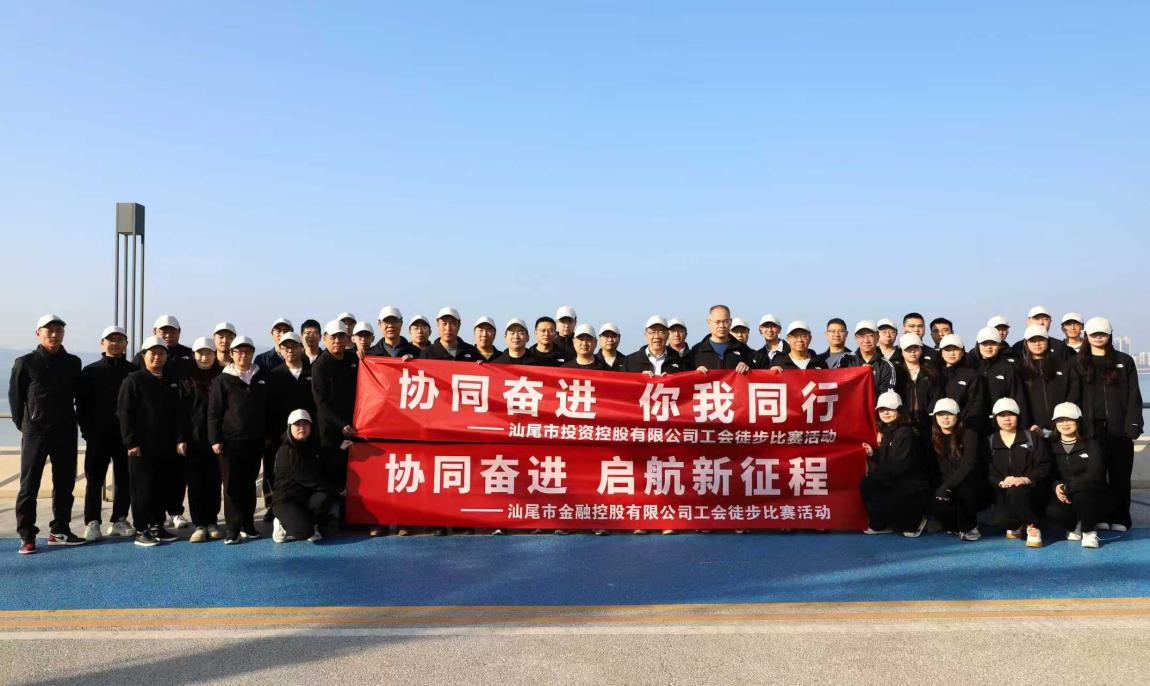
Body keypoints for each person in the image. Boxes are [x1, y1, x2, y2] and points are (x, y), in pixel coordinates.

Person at [10, 314, 84, 553]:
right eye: (49, 330)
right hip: (35, 432)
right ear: (38, 333)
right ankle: (27, 535)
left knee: (64, 484)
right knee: (29, 485)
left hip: (65, 431)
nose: (54, 334)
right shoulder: (25, 362)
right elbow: (16, 398)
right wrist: (26, 425)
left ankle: (60, 530)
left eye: (58, 330)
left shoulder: (73, 362)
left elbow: (79, 396)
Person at [117, 336, 188, 547]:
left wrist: (180, 438)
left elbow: (179, 413)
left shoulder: (171, 380)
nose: (157, 357)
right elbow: (124, 413)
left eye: (161, 353)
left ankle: (158, 525)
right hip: (142, 446)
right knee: (142, 489)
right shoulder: (133, 380)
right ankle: (142, 529)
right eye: (153, 353)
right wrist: (131, 442)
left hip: (166, 445)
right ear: (144, 355)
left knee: (162, 486)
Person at [1076, 317, 1143, 532]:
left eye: (1102, 334)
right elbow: (1072, 395)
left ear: (1110, 335)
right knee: (1095, 475)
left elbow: (1134, 395)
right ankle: (1099, 516)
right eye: (1094, 334)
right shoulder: (1077, 362)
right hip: (1090, 430)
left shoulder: (1124, 360)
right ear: (1086, 335)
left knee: (1120, 475)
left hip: (1119, 428)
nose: (1098, 337)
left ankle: (1121, 518)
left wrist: (1133, 424)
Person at [76, 325, 137, 541]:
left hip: (125, 436)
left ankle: (119, 519)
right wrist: (87, 432)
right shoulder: (90, 371)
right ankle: (92, 522)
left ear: (126, 344)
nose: (115, 343)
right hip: (98, 436)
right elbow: (81, 405)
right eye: (111, 340)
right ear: (102, 343)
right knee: (94, 480)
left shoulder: (133, 370)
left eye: (120, 340)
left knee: (124, 479)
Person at [208, 335, 271, 544]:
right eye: (239, 351)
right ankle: (232, 529)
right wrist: (215, 439)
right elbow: (214, 412)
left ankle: (248, 525)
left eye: (247, 351)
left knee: (249, 484)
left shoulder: (262, 377)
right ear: (232, 354)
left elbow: (268, 407)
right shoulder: (222, 380)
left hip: (255, 440)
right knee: (232, 486)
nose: (243, 355)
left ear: (252, 353)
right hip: (230, 442)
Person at [859, 391, 930, 537]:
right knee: (869, 484)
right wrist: (873, 454)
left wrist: (876, 476)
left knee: (872, 483)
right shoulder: (889, 431)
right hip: (895, 479)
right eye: (882, 410)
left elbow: (901, 465)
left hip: (909, 485)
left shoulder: (905, 432)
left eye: (890, 409)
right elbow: (890, 459)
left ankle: (916, 518)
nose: (885, 413)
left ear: (899, 410)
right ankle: (881, 524)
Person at [265, 332, 315, 523]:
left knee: (306, 468)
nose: (290, 350)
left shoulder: (312, 371)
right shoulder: (274, 375)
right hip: (280, 434)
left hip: (307, 433)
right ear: (280, 350)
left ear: (301, 348)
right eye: (285, 347)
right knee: (277, 471)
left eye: (294, 346)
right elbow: (269, 407)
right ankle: (273, 506)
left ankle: (304, 505)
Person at [272, 410, 343, 544]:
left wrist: (342, 449)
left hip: (306, 496)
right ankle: (281, 523)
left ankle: (312, 523)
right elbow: (308, 479)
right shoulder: (286, 450)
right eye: (297, 424)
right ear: (290, 428)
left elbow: (326, 464)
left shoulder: (313, 447)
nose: (302, 428)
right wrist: (338, 489)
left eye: (305, 424)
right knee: (303, 532)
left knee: (324, 496)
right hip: (286, 499)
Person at [987, 397, 1049, 548]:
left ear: (1018, 416)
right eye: (1002, 415)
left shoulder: (1032, 437)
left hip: (1031, 491)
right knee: (1002, 520)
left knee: (1018, 491)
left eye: (1011, 414)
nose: (1007, 419)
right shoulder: (990, 441)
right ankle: (1019, 522)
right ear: (995, 418)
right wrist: (1001, 482)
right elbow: (988, 471)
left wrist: (1026, 479)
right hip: (1005, 492)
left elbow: (1044, 465)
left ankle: (1032, 525)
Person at [1046, 402, 1106, 549]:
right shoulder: (1050, 445)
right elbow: (1047, 472)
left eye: (1069, 419)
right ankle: (1075, 525)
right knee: (1053, 512)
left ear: (1078, 421)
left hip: (1088, 492)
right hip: (1063, 493)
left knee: (1083, 495)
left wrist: (1069, 487)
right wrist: (1056, 486)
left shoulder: (1091, 444)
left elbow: (1095, 473)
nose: (1065, 423)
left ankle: (1089, 531)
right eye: (1060, 420)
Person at [926, 398, 986, 541]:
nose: (945, 418)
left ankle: (970, 526)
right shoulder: (931, 436)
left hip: (966, 481)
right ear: (935, 417)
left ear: (957, 416)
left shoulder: (969, 434)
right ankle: (950, 523)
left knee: (965, 492)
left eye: (949, 414)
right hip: (944, 481)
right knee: (937, 504)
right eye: (941, 414)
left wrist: (947, 487)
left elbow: (968, 465)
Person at [310, 320, 360, 490]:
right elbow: (321, 402)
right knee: (332, 474)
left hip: (354, 428)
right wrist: (341, 424)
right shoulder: (320, 366)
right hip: (330, 431)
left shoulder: (353, 359)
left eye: (341, 336)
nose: (337, 341)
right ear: (325, 338)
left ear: (347, 338)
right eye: (333, 337)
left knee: (354, 473)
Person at [183, 337, 224, 542]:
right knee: (195, 483)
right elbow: (179, 411)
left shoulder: (222, 376)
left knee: (214, 482)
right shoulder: (186, 377)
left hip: (216, 439)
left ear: (214, 355)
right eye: (200, 353)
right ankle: (199, 524)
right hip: (193, 439)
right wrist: (180, 438)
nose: (204, 357)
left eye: (208, 353)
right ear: (194, 355)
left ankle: (212, 521)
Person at [1018, 324, 1079, 436]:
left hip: (1062, 426)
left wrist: (1065, 418)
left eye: (1041, 339)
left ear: (1048, 341)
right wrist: (1027, 425)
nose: (1037, 343)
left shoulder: (1063, 365)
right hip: (1033, 429)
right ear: (1026, 343)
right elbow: (1019, 400)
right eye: (1033, 340)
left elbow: (1073, 392)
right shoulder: (1019, 369)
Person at [971, 326, 1028, 427]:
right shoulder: (971, 367)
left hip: (1002, 424)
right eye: (984, 343)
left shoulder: (1008, 369)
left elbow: (1018, 398)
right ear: (978, 345)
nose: (989, 347)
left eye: (993, 343)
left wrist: (1023, 426)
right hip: (976, 423)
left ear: (999, 345)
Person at [938, 334, 988, 434]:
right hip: (939, 427)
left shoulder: (971, 375)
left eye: (956, 349)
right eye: (947, 350)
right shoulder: (935, 374)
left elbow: (976, 403)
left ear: (962, 352)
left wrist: (959, 422)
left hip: (965, 427)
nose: (952, 353)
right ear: (941, 353)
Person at [892, 333, 939, 436]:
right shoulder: (896, 372)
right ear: (902, 352)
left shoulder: (931, 372)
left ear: (921, 350)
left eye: (916, 348)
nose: (912, 351)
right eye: (908, 349)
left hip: (928, 424)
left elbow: (935, 396)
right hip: (902, 424)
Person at [693, 305, 754, 372]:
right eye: (717, 322)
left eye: (725, 321)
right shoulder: (697, 350)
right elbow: (686, 374)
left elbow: (756, 372)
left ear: (730, 322)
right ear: (709, 322)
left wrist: (747, 367)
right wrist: (695, 373)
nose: (722, 326)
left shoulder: (743, 349)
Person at [133, 314, 194, 379]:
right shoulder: (143, 356)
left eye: (172, 332)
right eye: (163, 332)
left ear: (179, 331)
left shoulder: (190, 354)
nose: (168, 335)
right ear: (154, 332)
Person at [626, 316, 690, 375]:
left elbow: (687, 381)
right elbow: (623, 381)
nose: (657, 336)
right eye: (653, 332)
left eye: (661, 332)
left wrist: (672, 380)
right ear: (645, 335)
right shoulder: (630, 361)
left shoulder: (679, 360)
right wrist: (639, 377)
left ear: (667, 335)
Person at [850, 320, 897, 394]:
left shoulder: (886, 365)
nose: (866, 340)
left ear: (877, 336)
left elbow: (886, 395)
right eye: (862, 336)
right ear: (856, 338)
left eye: (870, 335)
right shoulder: (847, 360)